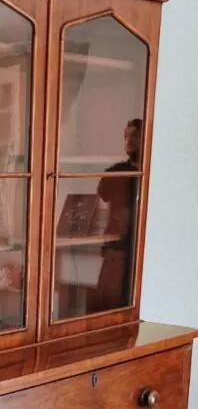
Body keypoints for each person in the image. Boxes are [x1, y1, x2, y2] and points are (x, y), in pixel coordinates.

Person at [88, 118, 142, 313]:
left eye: (135, 135)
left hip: (138, 246)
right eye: (126, 136)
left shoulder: (150, 171)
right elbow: (105, 193)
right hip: (117, 248)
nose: (129, 140)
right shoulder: (117, 171)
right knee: (107, 304)